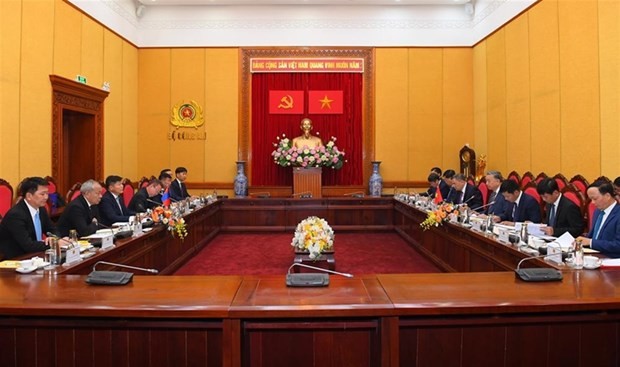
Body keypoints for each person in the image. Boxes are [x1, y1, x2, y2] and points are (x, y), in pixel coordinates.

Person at [0, 177, 56, 259]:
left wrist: (55, 238)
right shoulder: (16, 215)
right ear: (29, 196)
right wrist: (52, 243)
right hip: (17, 258)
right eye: (42, 194)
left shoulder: (41, 209)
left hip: (35, 255)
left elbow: (52, 229)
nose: (46, 197)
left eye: (47, 193)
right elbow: (28, 245)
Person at [577, 180, 620, 257]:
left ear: (607, 196)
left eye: (595, 199)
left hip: (611, 259)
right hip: (593, 255)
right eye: (591, 199)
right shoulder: (597, 211)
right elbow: (593, 236)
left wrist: (590, 242)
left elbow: (618, 245)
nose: (592, 203)